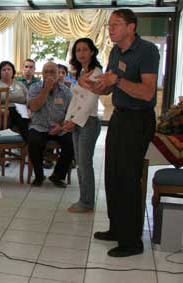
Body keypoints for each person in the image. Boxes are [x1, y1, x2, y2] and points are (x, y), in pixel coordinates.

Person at [91, 9, 159, 257]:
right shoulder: (116, 51)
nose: (110, 29)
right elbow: (108, 89)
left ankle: (132, 242)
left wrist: (117, 81)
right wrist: (96, 86)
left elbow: (147, 92)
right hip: (119, 116)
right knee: (112, 175)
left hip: (139, 118)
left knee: (129, 178)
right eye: (109, 25)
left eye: (116, 24)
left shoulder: (147, 51)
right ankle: (117, 229)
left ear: (132, 27)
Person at [62, 38, 103, 213]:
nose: (81, 53)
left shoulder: (97, 72)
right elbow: (76, 99)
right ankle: (83, 199)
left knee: (85, 164)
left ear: (92, 52)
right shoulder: (81, 72)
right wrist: (67, 118)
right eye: (78, 50)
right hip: (78, 122)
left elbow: (89, 102)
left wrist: (73, 121)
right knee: (80, 163)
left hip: (89, 122)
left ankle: (87, 203)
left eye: (85, 49)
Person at [27, 62, 74, 188]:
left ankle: (57, 176)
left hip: (59, 127)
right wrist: (46, 90)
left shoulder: (66, 91)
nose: (49, 75)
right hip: (39, 126)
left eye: (52, 72)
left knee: (72, 142)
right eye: (46, 72)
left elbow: (71, 113)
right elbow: (33, 107)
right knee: (33, 140)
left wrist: (61, 126)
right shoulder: (35, 87)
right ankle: (39, 175)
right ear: (42, 74)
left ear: (58, 74)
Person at [0, 61, 30, 141]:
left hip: (21, 110)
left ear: (13, 72)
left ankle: (26, 146)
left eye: (9, 69)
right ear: (0, 72)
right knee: (5, 124)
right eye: (4, 70)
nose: (6, 71)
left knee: (26, 124)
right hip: (3, 110)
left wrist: (29, 108)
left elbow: (28, 97)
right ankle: (3, 147)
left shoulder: (20, 84)